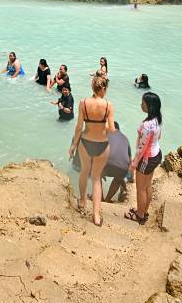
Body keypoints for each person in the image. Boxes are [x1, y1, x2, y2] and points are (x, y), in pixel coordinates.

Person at [68, 74, 115, 227]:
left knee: (84, 172)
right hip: (102, 144)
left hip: (86, 142)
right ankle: (95, 216)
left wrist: (74, 145)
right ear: (103, 88)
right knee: (96, 179)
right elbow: (112, 130)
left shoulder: (83, 102)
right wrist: (102, 125)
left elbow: (79, 127)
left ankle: (82, 201)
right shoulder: (108, 105)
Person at [125, 93, 163, 225]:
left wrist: (133, 164)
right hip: (156, 154)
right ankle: (144, 211)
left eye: (143, 103)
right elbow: (159, 137)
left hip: (146, 159)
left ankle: (140, 216)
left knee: (140, 188)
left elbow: (141, 148)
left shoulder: (146, 125)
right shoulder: (157, 119)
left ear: (149, 106)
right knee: (147, 185)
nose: (141, 104)